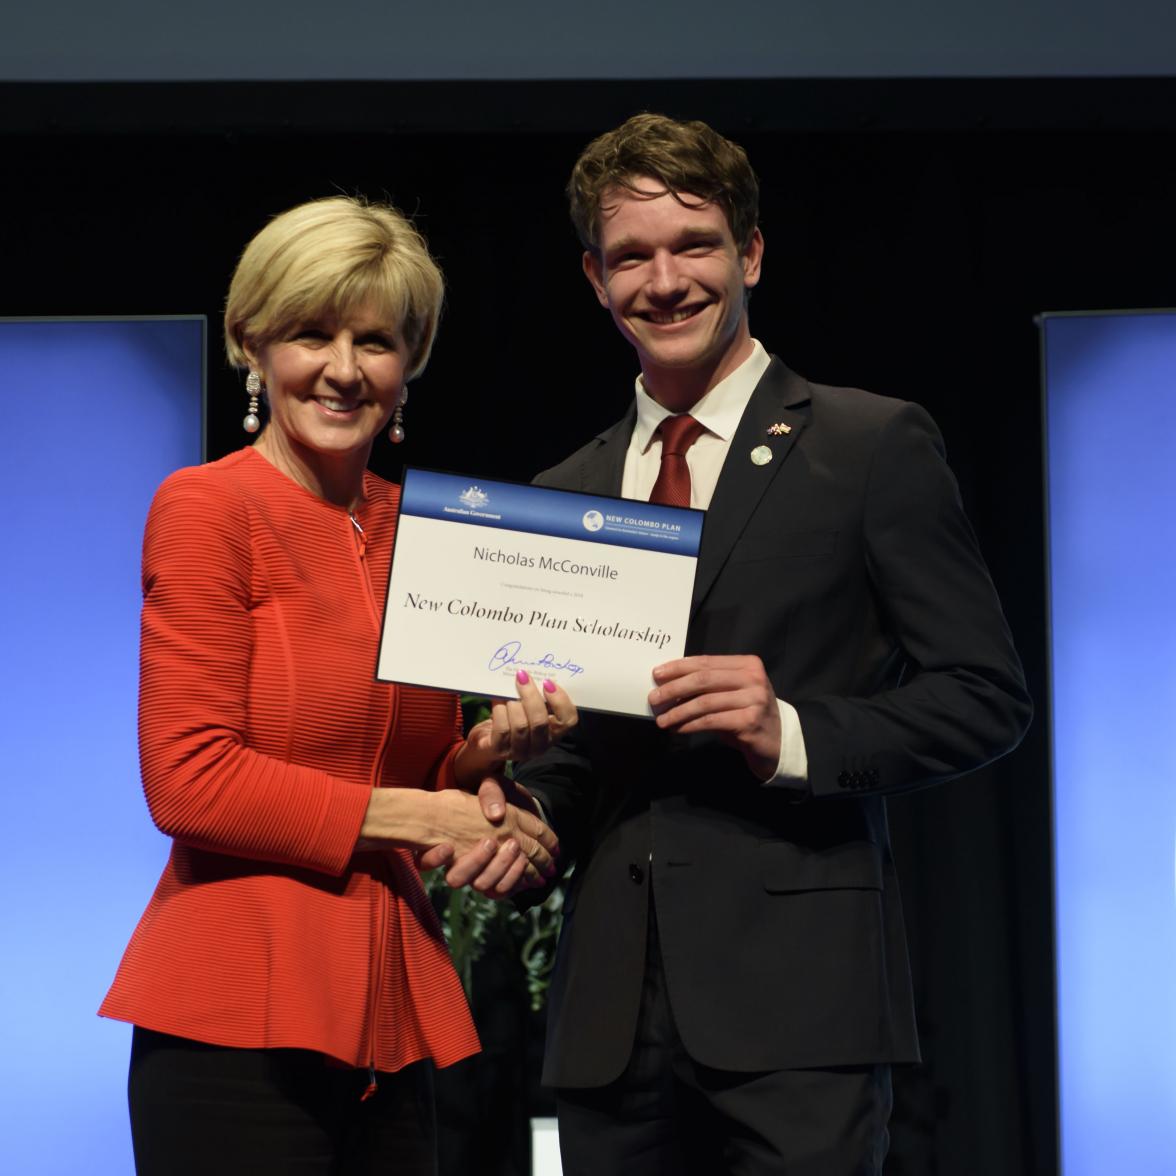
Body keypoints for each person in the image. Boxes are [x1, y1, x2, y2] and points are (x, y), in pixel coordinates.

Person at [498, 114, 1034, 1174]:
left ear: (749, 252)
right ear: (594, 279)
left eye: (693, 244)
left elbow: (984, 695)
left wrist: (788, 730)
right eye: (631, 256)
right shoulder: (562, 495)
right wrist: (527, 810)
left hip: (802, 1012)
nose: (665, 280)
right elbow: (582, 760)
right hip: (609, 1021)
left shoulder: (870, 444)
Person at [99, 195, 573, 1176]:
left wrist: (485, 763)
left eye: (377, 340)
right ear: (250, 342)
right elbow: (188, 778)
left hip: (390, 1011)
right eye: (312, 334)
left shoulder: (425, 532)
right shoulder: (204, 508)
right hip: (234, 1013)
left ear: (416, 358)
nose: (345, 369)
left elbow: (422, 764)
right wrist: (425, 818)